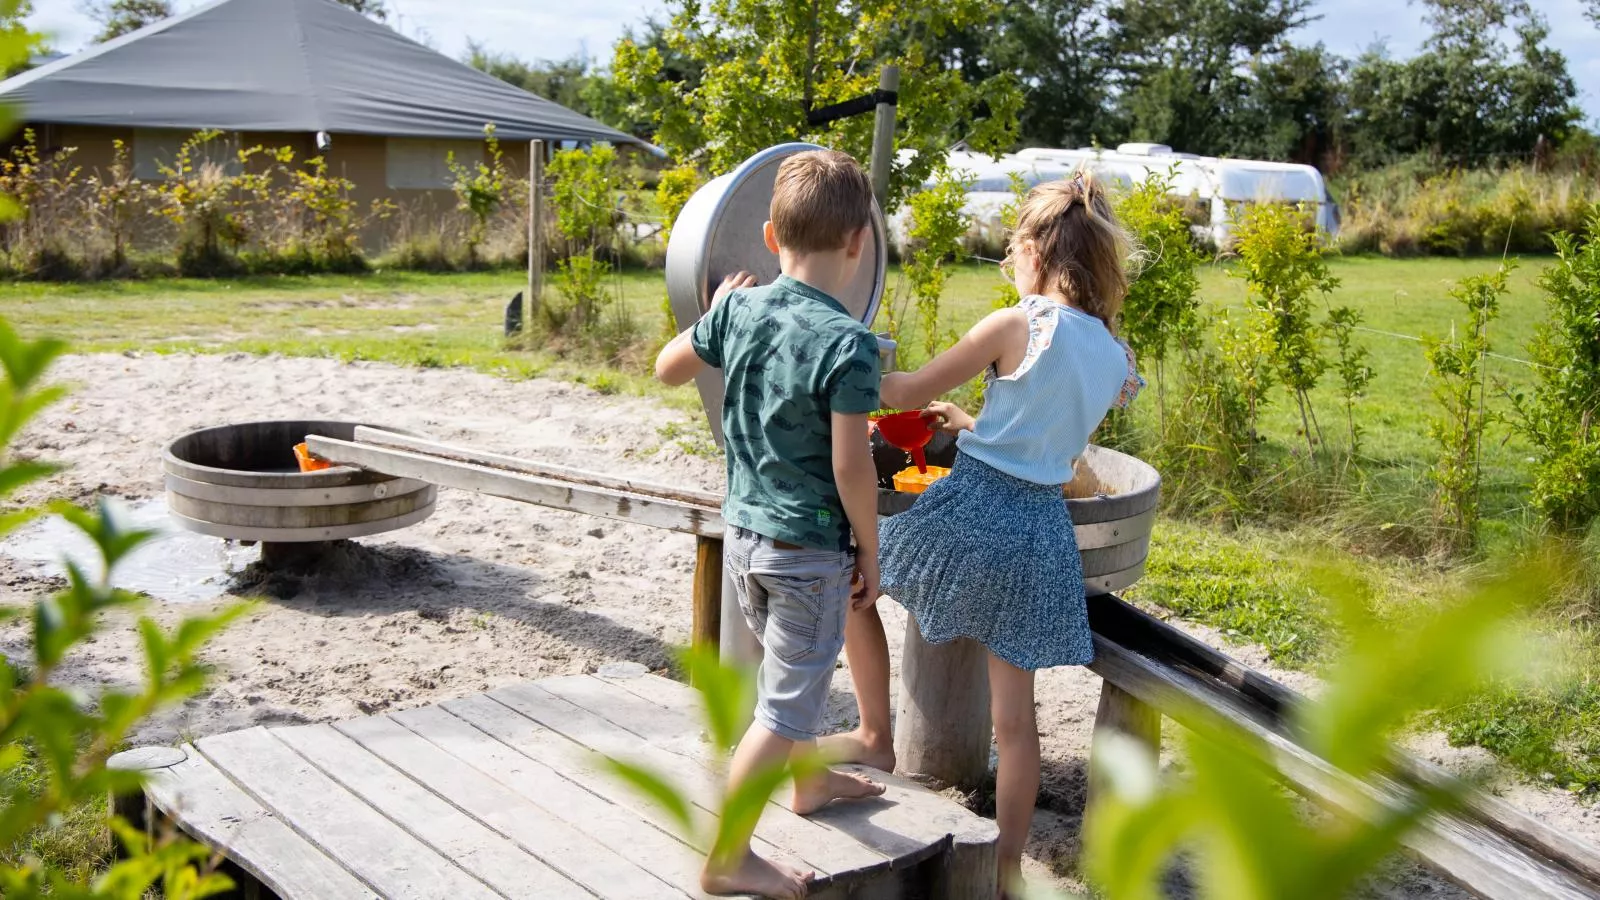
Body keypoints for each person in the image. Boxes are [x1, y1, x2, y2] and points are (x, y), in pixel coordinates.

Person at [822, 172, 1144, 898]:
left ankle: (875, 736)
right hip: (1039, 533)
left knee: (856, 580)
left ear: (1032, 248)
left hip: (973, 513)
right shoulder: (1115, 357)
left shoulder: (1016, 323)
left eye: (1013, 248)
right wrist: (973, 424)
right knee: (1018, 723)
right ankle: (1005, 874)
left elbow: (901, 393)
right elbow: (1046, 434)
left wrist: (857, 351)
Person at [654, 149, 887, 900]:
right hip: (806, 552)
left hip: (746, 542)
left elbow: (666, 368)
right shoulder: (848, 342)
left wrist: (715, 308)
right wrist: (869, 551)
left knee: (791, 690)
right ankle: (729, 856)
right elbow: (853, 467)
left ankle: (808, 789)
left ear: (767, 233)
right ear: (859, 243)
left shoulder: (739, 312)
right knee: (785, 712)